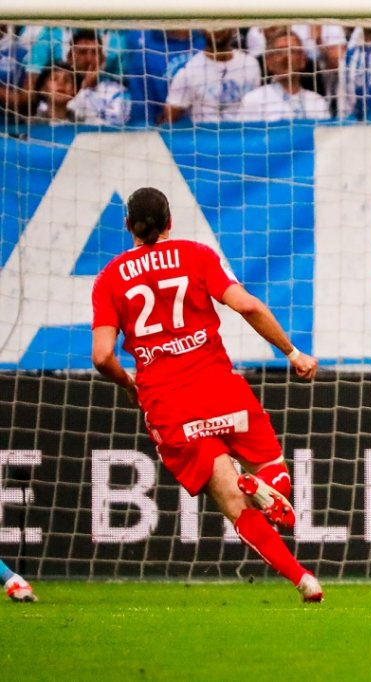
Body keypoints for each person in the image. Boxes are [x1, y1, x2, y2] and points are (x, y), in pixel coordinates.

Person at [91, 187, 323, 602]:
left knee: (235, 505)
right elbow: (247, 306)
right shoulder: (196, 255)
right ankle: (262, 486)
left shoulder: (110, 278)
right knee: (278, 481)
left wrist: (129, 385)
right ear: (170, 222)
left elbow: (102, 355)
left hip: (168, 405)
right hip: (219, 388)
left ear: (127, 225)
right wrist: (292, 351)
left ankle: (304, 580)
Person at [237, 30, 330, 121]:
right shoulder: (254, 100)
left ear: (303, 60)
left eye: (292, 51)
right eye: (279, 52)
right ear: (268, 61)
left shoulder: (317, 102)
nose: (286, 57)